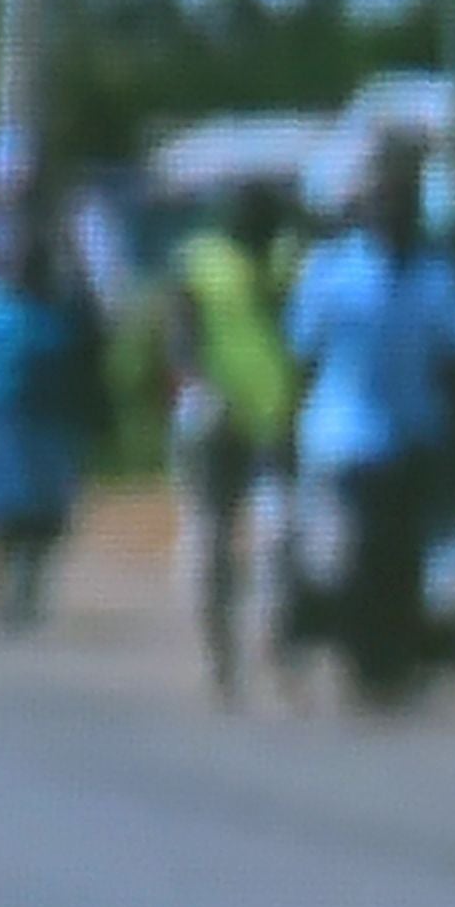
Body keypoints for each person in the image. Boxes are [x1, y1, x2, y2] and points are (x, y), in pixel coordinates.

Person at [287, 152, 455, 710]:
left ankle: (392, 665)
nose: (391, 215)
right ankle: (352, 656)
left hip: (413, 437)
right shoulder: (330, 272)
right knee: (351, 555)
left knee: (403, 560)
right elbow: (303, 352)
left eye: (402, 204)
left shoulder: (438, 278)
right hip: (343, 436)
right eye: (382, 203)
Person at [161, 185, 301, 701]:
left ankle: (274, 645)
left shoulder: (290, 263)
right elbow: (178, 336)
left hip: (275, 418)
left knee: (279, 534)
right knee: (209, 540)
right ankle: (215, 656)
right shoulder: (199, 262)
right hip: (214, 414)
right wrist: (198, 383)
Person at [0, 215, 101, 628]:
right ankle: (3, 586)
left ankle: (31, 584)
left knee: (47, 513)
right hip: (1, 417)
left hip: (53, 421)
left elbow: (90, 358)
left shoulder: (66, 305)